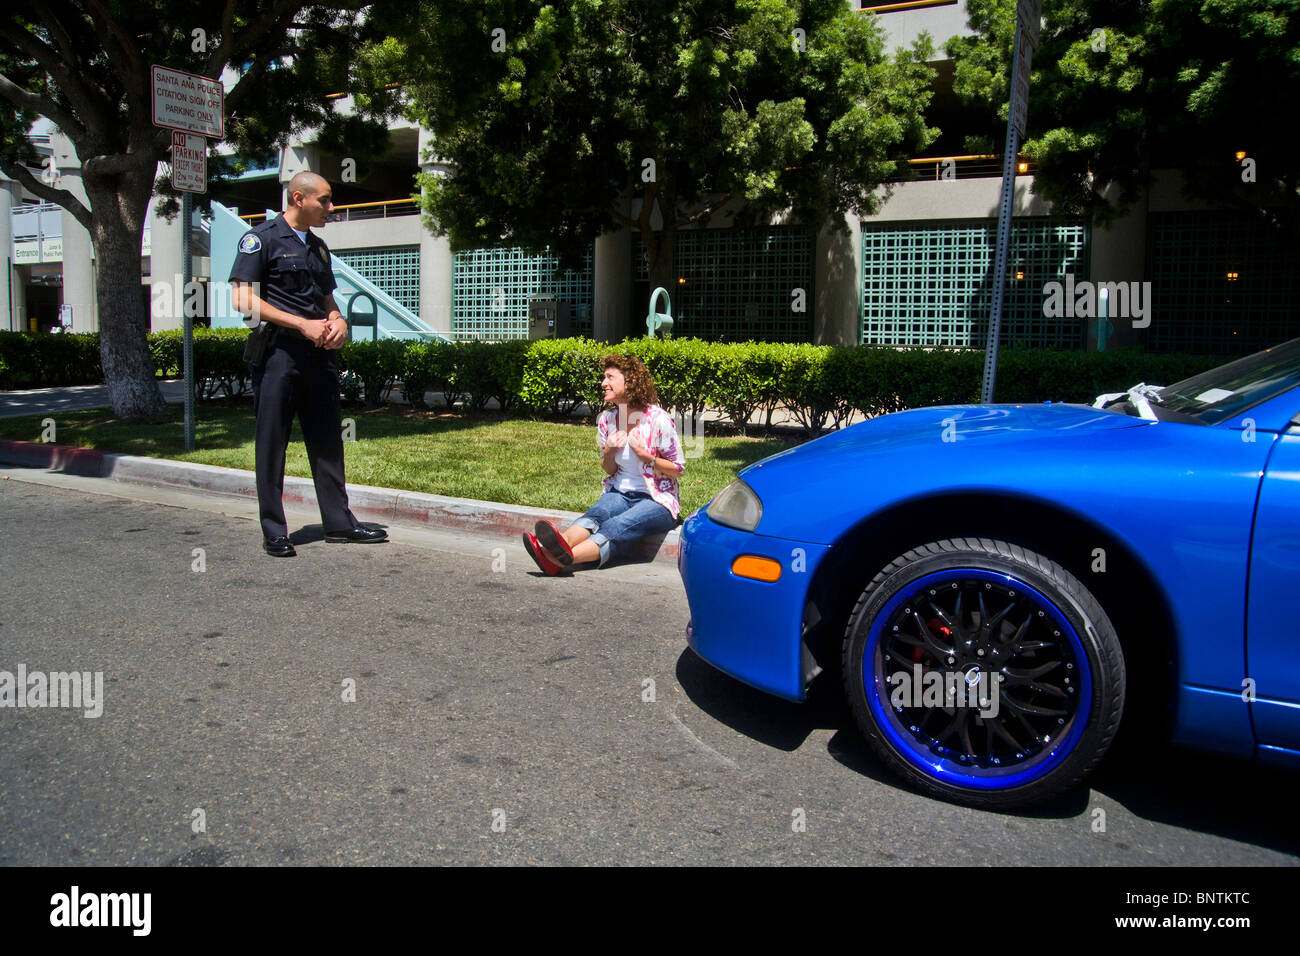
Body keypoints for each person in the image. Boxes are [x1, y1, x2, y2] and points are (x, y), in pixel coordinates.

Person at [229, 171, 387, 556]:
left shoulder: (318, 248)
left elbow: (327, 299)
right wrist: (301, 323)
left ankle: (338, 523)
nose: (331, 209)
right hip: (279, 354)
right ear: (299, 198)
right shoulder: (260, 239)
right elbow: (242, 300)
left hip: (320, 358)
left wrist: (339, 322)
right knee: (272, 443)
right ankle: (274, 531)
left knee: (328, 441)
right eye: (325, 201)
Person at [523, 354, 684, 573]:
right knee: (597, 514)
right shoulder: (606, 420)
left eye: (610, 377)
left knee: (618, 526)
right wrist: (609, 451)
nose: (603, 383)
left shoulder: (657, 419)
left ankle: (558, 559)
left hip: (657, 501)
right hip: (620, 493)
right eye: (604, 377)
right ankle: (559, 544)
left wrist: (647, 457)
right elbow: (609, 469)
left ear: (630, 381)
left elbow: (678, 470)